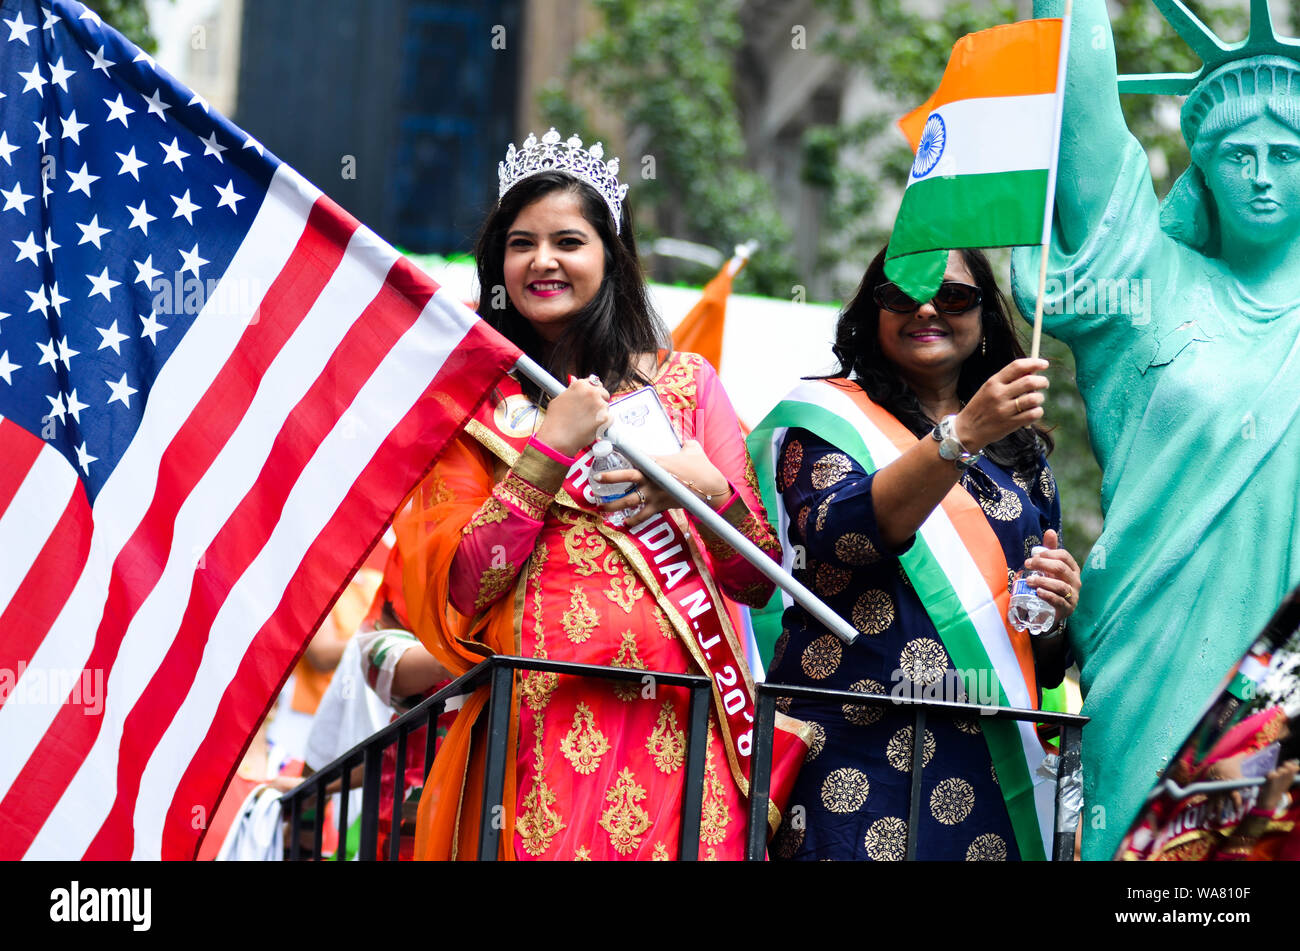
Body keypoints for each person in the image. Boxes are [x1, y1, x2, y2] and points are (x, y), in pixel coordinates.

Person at [394, 130, 808, 860]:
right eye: (521, 244)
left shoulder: (687, 385)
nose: (542, 260)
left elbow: (755, 577)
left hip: (687, 727)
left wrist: (703, 487)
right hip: (536, 728)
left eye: (568, 240)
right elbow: (466, 585)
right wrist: (551, 448)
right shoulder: (468, 407)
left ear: (610, 258)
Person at [1009, 0, 1300, 859]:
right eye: (1237, 155)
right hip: (1155, 645)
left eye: (1287, 154)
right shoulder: (1145, 287)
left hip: (1288, 670)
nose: (1261, 175)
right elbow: (1089, 107)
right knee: (1150, 870)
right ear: (1202, 168)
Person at [750, 245, 1081, 861]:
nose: (927, 308)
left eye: (953, 296)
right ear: (873, 313)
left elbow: (1044, 653)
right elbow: (841, 535)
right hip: (850, 749)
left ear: (983, 318)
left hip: (986, 762)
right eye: (902, 294)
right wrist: (962, 437)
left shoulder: (1023, 456)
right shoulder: (826, 419)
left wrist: (1056, 611)